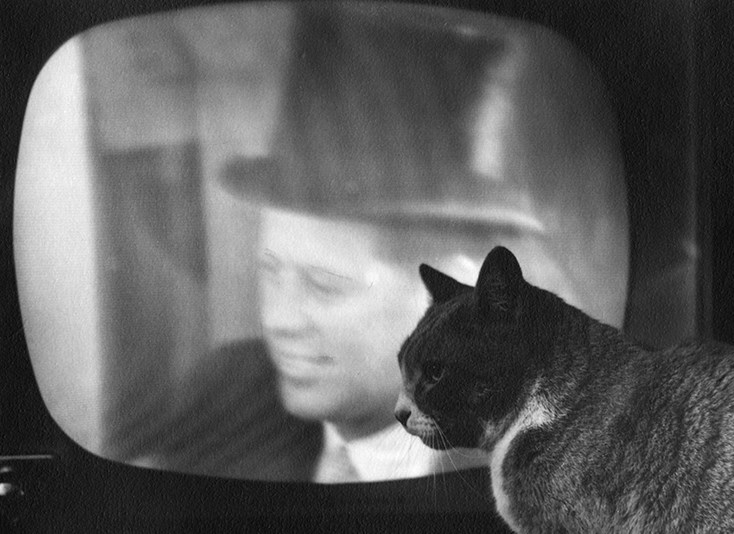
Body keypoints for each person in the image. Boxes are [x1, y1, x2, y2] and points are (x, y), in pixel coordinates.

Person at [137, 2, 628, 483]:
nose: (277, 321)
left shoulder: (533, 462)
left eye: (325, 284)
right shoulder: (222, 394)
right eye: (269, 271)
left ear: (448, 292)